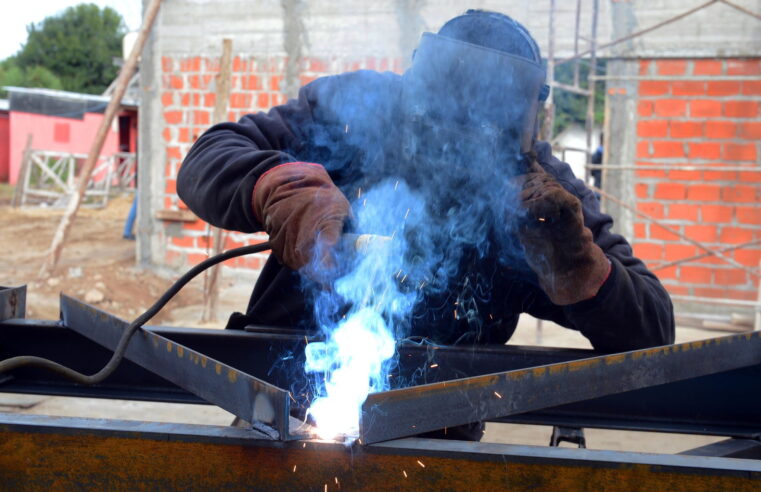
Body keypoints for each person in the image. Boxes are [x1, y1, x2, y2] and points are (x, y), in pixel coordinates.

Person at [178, 10, 674, 356]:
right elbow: (209, 157)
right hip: (282, 382)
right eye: (437, 125)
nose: (449, 150)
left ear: (516, 131)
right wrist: (281, 190)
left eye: (474, 137)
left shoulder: (541, 199)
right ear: (414, 87)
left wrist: (577, 265)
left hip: (434, 426)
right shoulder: (355, 110)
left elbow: (653, 329)